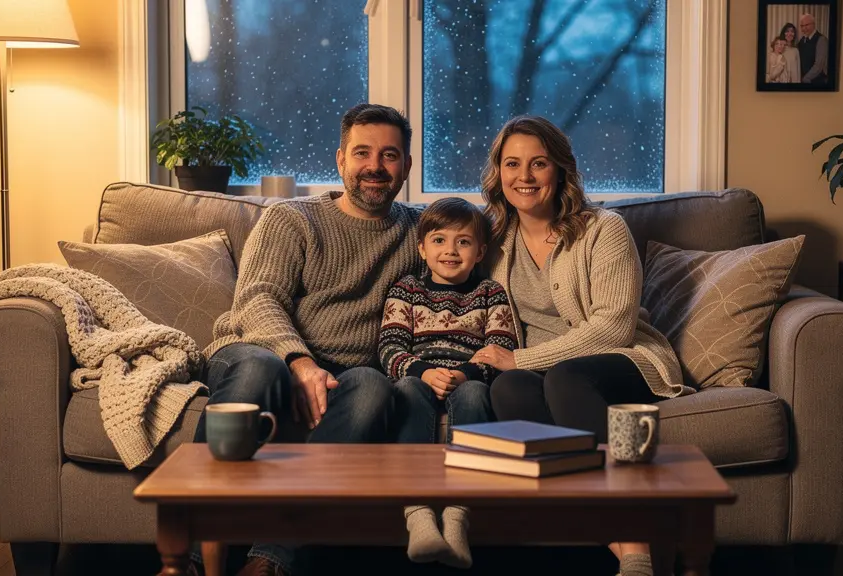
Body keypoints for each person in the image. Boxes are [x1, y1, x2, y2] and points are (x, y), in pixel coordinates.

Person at [191, 103, 423, 576]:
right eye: (362, 153)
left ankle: (268, 560)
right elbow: (256, 300)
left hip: (352, 374)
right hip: (258, 350)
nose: (375, 167)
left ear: (407, 166)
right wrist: (299, 362)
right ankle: (193, 560)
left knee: (375, 389)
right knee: (261, 369)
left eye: (390, 155)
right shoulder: (292, 219)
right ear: (340, 160)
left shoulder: (423, 233)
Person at [469, 115, 690, 576]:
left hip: (621, 360)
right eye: (512, 164)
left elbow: (613, 327)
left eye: (538, 164)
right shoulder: (492, 241)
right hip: (541, 374)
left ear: (561, 170)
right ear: (498, 173)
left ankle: (636, 549)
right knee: (507, 390)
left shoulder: (602, 229)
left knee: (564, 377)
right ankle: (624, 541)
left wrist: (521, 359)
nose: (524, 177)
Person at [379, 197, 518, 569]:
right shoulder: (406, 290)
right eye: (439, 240)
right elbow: (390, 348)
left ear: (480, 251)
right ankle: (418, 513)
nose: (451, 251)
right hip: (419, 378)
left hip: (468, 378)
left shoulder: (490, 293)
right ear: (422, 248)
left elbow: (501, 347)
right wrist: (422, 371)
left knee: (475, 393)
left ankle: (457, 515)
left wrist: (466, 373)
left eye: (464, 241)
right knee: (407, 390)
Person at [797, 13, 829, 84]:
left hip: (817, 82)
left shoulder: (821, 40)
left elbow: (819, 65)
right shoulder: (802, 40)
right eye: (802, 26)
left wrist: (806, 78)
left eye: (807, 25)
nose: (804, 28)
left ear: (813, 24)